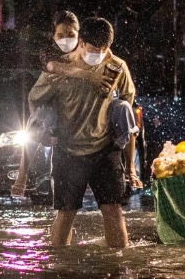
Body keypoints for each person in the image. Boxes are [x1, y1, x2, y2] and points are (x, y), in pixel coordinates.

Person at [28, 17, 136, 247]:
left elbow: (128, 102)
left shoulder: (116, 66)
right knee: (66, 213)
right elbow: (34, 100)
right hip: (68, 150)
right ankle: (59, 267)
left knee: (113, 210)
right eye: (93, 49)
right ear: (81, 42)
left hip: (104, 149)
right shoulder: (61, 69)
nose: (99, 54)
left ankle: (120, 268)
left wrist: (128, 158)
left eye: (104, 50)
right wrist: (42, 132)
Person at [11, 11, 142, 197]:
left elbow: (127, 94)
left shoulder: (111, 61)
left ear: (79, 35)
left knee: (124, 108)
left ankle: (130, 169)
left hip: (98, 135)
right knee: (37, 119)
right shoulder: (51, 54)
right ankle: (22, 175)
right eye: (60, 35)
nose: (66, 40)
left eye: (71, 34)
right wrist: (88, 76)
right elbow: (49, 75)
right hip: (58, 118)